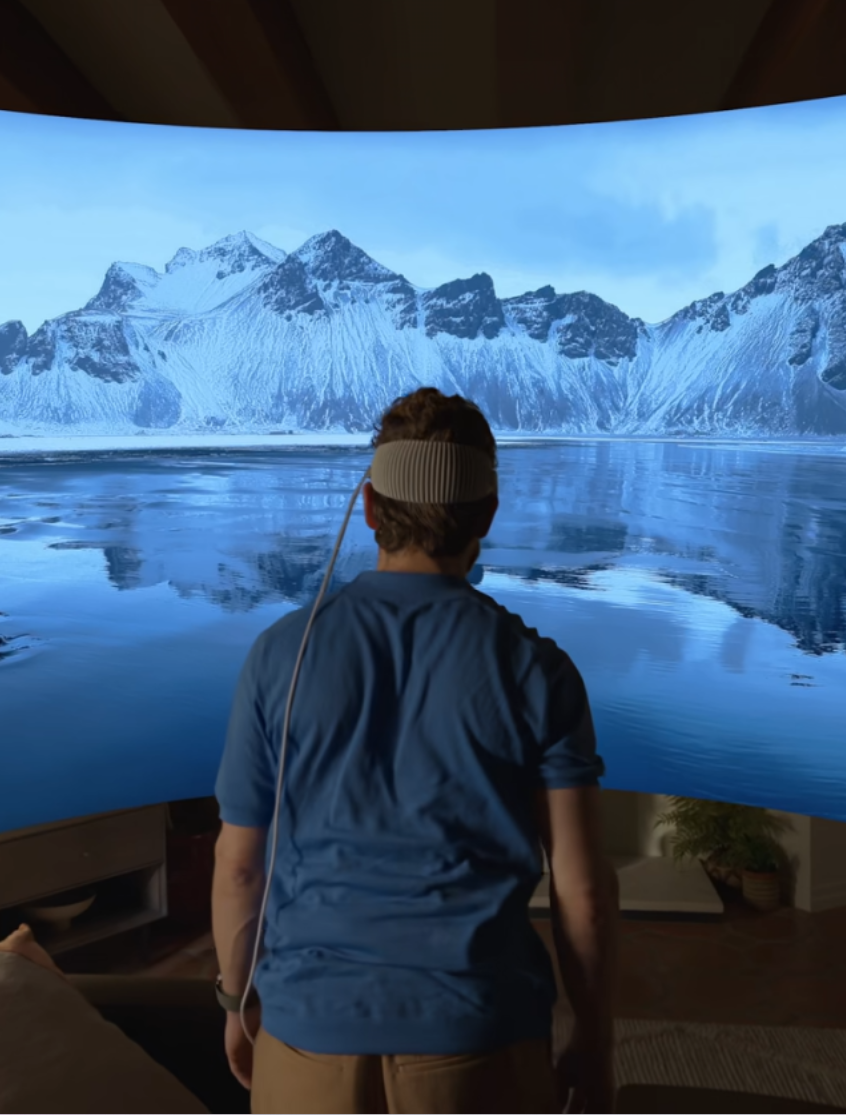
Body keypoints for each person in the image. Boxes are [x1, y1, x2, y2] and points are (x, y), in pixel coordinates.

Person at [212, 387, 621, 1114]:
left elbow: (240, 865)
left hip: (305, 1040)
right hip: (480, 1042)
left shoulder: (280, 654)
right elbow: (581, 890)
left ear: (368, 506)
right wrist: (593, 1037)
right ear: (487, 516)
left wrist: (231, 998)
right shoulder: (539, 670)